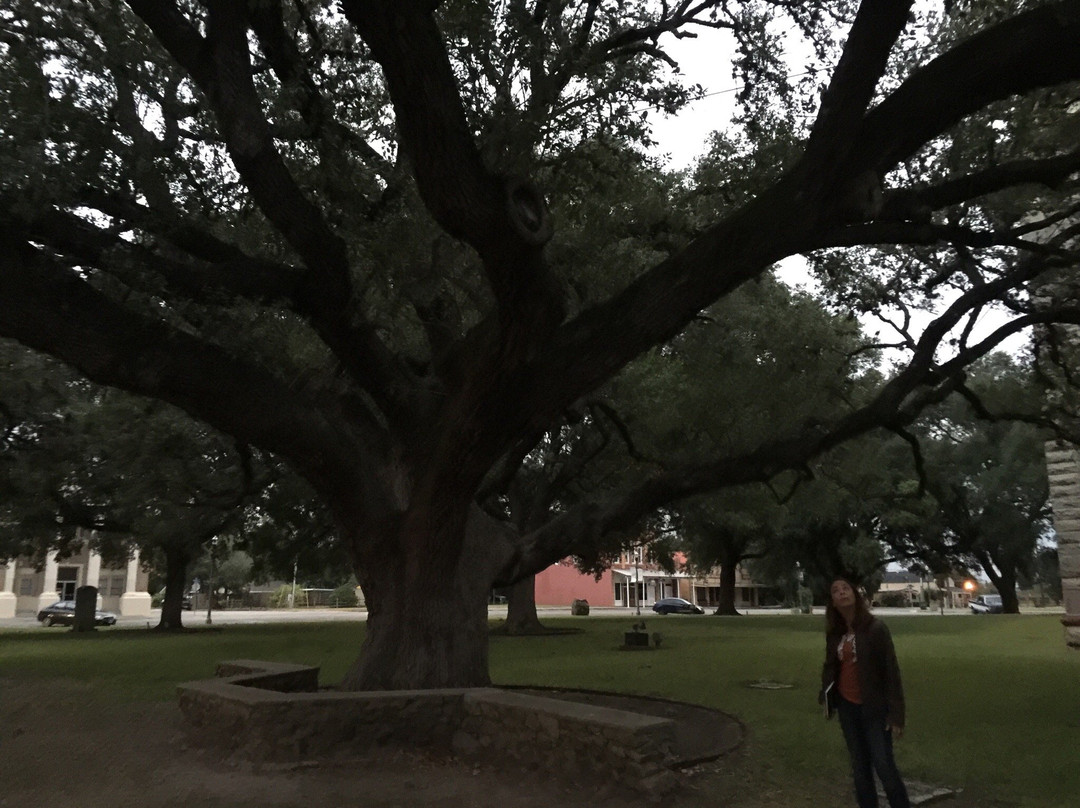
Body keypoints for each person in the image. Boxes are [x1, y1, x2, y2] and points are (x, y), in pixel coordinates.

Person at [820, 575, 911, 808]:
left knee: (884, 766)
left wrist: (896, 714)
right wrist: (827, 697)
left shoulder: (875, 628)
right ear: (832, 601)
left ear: (855, 594)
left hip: (874, 709)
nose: (841, 592)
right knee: (860, 769)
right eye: (835, 590)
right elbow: (830, 666)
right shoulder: (835, 632)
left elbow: (891, 672)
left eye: (845, 588)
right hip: (848, 709)